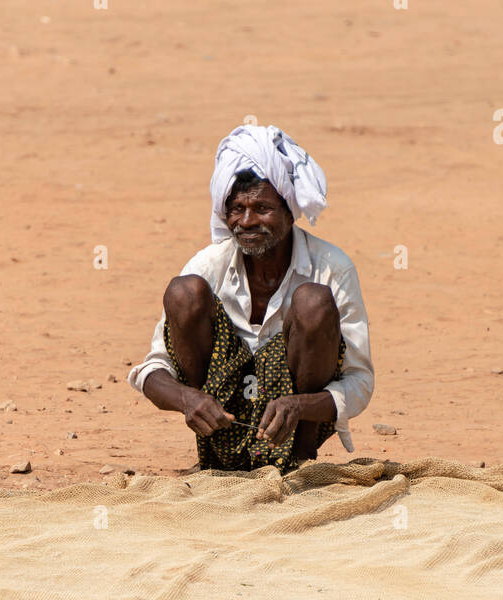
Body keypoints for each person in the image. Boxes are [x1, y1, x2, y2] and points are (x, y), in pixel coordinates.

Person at [127, 124, 374, 473]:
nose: (246, 221)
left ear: (289, 211)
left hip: (297, 423)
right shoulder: (209, 265)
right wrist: (188, 399)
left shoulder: (332, 267)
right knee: (183, 292)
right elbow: (152, 371)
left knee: (313, 302)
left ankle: (299, 462)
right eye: (237, 208)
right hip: (225, 420)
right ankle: (213, 455)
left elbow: (359, 382)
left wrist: (299, 405)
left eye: (262, 208)